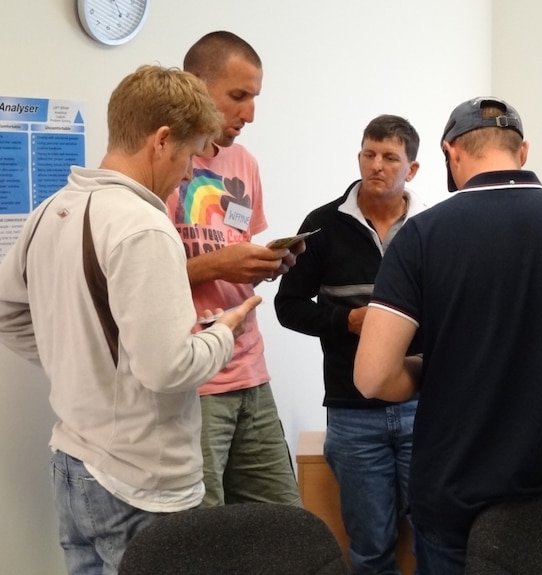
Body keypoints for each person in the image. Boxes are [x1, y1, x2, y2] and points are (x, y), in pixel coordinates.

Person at [353, 97, 542, 574]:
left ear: (452, 153)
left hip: (453, 494)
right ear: (523, 151)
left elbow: (372, 376)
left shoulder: (422, 237)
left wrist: (438, 369)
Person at [0, 64, 261, 574]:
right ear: (161, 141)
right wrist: (223, 333)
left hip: (73, 465)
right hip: (142, 483)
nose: (189, 173)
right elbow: (167, 370)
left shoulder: (51, 209)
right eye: (188, 155)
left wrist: (81, 362)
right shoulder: (144, 225)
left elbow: (7, 312)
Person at [274, 114, 423, 574]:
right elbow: (288, 306)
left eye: (390, 157)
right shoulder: (321, 226)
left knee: (436, 535)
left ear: (411, 170)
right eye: (368, 154)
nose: (376, 165)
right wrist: (347, 322)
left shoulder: (430, 229)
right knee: (370, 547)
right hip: (352, 412)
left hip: (426, 407)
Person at [164, 31, 303, 507]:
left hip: (250, 370)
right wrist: (217, 264)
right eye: (238, 96)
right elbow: (140, 281)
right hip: (193, 382)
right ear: (196, 87)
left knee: (286, 528)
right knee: (202, 538)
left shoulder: (244, 161)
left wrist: (262, 263)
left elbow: (235, 244)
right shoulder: (160, 162)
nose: (249, 114)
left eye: (254, 98)